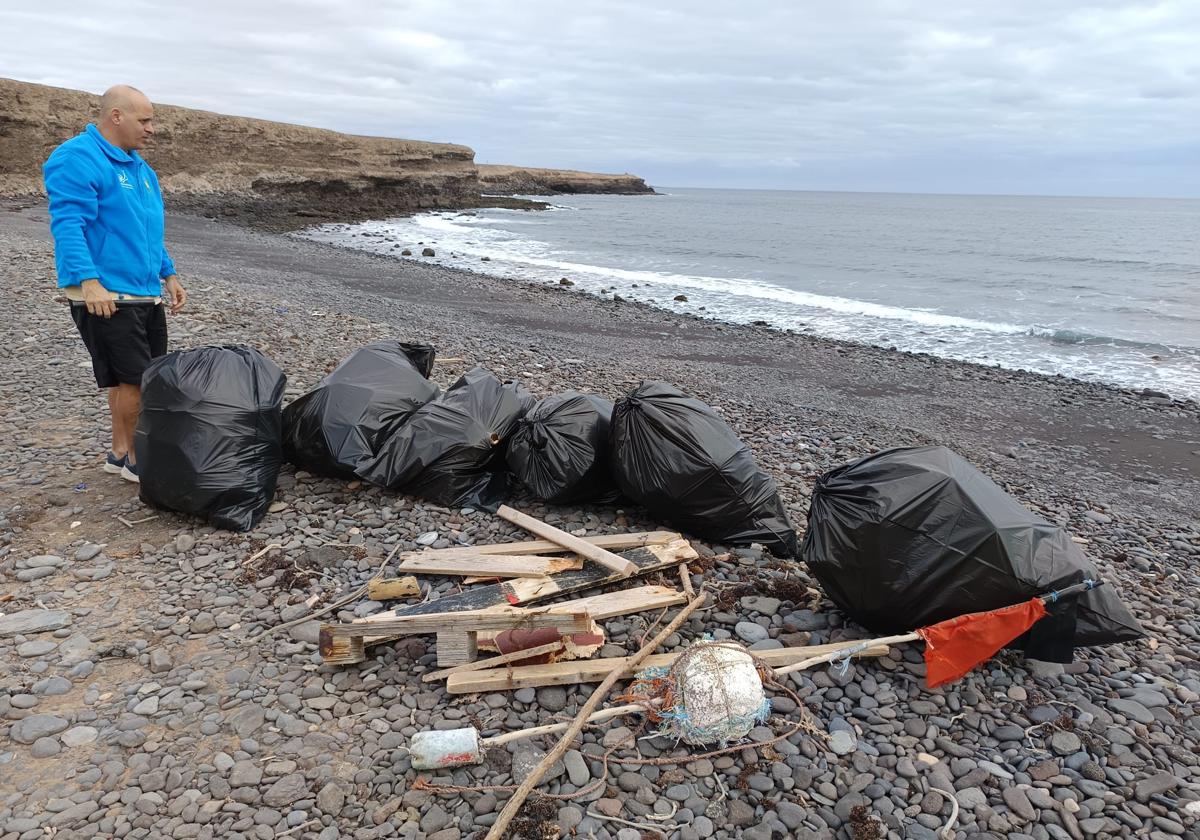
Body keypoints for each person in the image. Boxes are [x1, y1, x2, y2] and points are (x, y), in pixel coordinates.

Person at [43, 85, 187, 484]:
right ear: (116, 116)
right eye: (145, 120)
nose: (151, 129)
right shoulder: (77, 157)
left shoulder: (140, 168)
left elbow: (147, 230)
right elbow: (68, 224)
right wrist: (88, 281)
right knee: (137, 379)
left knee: (129, 378)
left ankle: (120, 451)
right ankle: (140, 461)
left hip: (143, 290)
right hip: (106, 293)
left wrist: (168, 273)